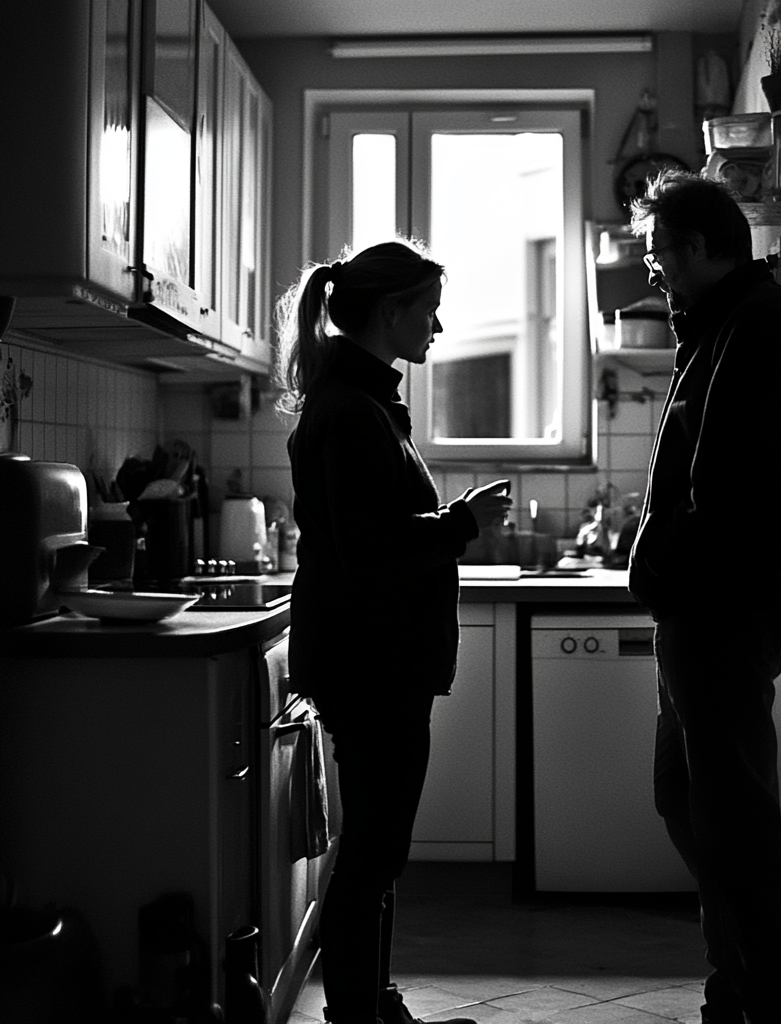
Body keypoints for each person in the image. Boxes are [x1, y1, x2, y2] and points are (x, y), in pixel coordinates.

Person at [276, 240, 513, 1024]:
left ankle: (373, 1003)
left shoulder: (362, 402)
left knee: (379, 848)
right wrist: (462, 523)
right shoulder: (351, 412)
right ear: (391, 312)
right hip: (370, 663)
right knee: (376, 849)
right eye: (429, 308)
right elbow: (369, 547)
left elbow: (369, 533)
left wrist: (452, 523)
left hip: (373, 660)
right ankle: (358, 1013)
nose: (439, 326)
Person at [627, 171, 781, 1024]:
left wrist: (673, 568)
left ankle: (770, 1004)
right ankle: (736, 982)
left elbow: (734, 490)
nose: (652, 272)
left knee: (737, 822)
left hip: (722, 612)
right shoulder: (723, 325)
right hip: (703, 611)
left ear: (705, 247)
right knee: (689, 798)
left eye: (658, 253)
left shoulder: (763, 328)